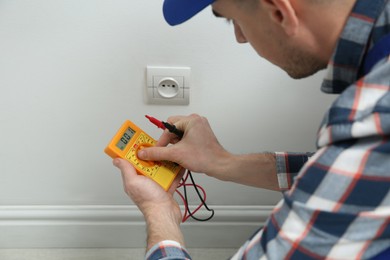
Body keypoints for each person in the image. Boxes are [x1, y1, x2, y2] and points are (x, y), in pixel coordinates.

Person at [113, 0, 390, 258]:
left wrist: (159, 212)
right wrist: (222, 162)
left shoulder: (374, 119)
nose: (240, 37)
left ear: (279, 11)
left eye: (233, 20)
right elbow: (342, 173)